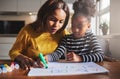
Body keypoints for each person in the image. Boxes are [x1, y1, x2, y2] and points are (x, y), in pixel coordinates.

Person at [9, 0, 70, 69]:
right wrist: (23, 58)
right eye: (52, 19)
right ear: (44, 16)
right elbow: (13, 52)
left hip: (52, 71)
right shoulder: (28, 31)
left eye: (61, 22)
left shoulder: (62, 32)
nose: (56, 25)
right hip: (30, 69)